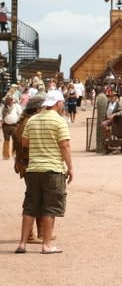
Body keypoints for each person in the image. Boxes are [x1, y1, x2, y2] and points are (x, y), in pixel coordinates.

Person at [15, 90, 73, 254]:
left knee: (30, 207)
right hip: (53, 169)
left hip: (33, 169)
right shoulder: (59, 121)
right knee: (50, 208)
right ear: (58, 103)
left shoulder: (32, 120)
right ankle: (47, 245)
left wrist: (40, 143)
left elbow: (25, 142)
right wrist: (71, 167)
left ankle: (22, 244)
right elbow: (65, 146)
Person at [2, 95, 23, 159]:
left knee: (15, 139)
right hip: (6, 126)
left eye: (11, 100)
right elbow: (0, 115)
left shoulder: (16, 106)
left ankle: (15, 153)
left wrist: (18, 121)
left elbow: (21, 113)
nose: (11, 101)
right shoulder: (3, 107)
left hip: (15, 125)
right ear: (7, 101)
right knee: (6, 140)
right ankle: (6, 155)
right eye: (9, 100)